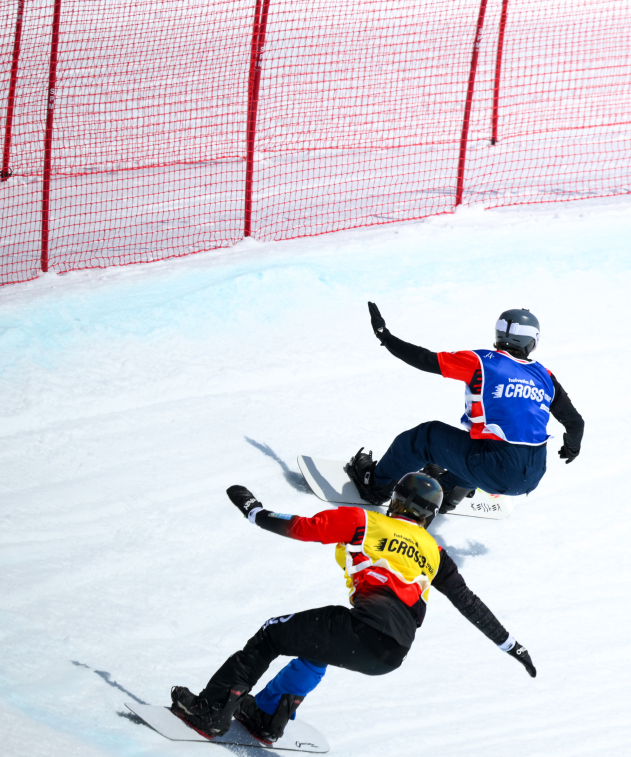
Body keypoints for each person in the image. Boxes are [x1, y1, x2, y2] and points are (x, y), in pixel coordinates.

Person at [169, 473, 537, 741]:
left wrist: (254, 511)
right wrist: (512, 646)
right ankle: (267, 716)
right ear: (429, 516)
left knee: (272, 634)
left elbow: (301, 527)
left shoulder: (365, 521)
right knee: (317, 648)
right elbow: (470, 604)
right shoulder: (435, 552)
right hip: (393, 654)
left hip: (363, 627)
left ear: (396, 501)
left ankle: (212, 711)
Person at [345, 303, 585, 511]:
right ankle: (449, 492)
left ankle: (374, 485)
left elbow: (426, 359)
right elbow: (575, 423)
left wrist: (386, 338)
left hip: (494, 468)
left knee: (424, 438)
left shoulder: (481, 362)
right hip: (533, 474)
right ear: (533, 341)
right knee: (478, 445)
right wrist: (571, 448)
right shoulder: (545, 376)